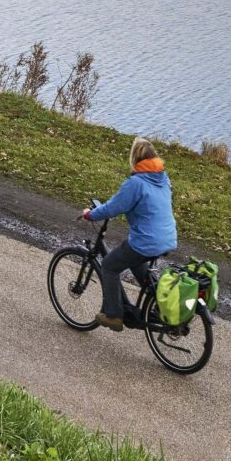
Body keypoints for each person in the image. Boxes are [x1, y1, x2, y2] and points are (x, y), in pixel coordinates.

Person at [81, 136, 178, 330]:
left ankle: (114, 316)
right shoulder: (163, 178)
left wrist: (90, 215)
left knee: (109, 266)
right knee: (135, 260)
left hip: (147, 241)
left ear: (135, 159)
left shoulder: (136, 183)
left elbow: (113, 207)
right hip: (167, 237)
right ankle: (162, 306)